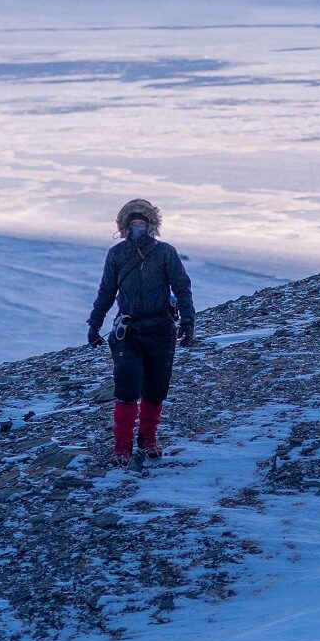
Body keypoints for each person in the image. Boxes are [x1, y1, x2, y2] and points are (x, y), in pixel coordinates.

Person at [87, 198, 194, 463]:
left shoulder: (166, 253)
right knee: (127, 384)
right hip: (128, 331)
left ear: (151, 224)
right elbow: (106, 292)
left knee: (156, 388)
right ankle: (121, 447)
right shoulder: (117, 254)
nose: (138, 227)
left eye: (142, 222)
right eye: (133, 222)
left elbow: (182, 286)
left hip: (161, 329)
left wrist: (188, 321)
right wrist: (94, 324)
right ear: (124, 225)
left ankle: (148, 441)